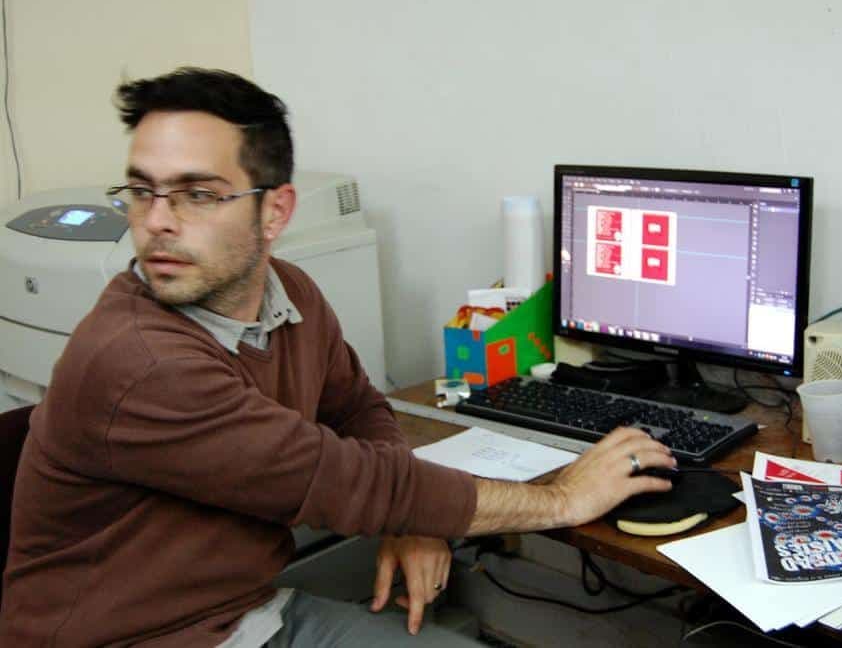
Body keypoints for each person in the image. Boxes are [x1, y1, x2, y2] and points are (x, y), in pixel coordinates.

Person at [0, 68, 676, 647]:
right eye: (142, 191)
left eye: (197, 194)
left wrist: (411, 518)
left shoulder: (289, 293)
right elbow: (350, 482)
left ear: (275, 212)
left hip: (245, 614)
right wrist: (562, 498)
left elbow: (356, 408)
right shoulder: (140, 362)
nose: (156, 221)